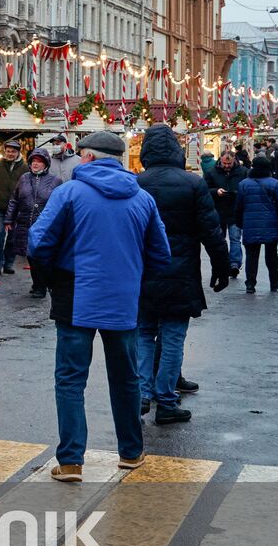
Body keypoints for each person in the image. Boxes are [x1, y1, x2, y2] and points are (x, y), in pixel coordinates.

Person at [26, 130, 170, 483]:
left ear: (87, 157)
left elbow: (39, 241)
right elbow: (161, 254)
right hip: (122, 298)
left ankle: (72, 460)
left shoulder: (69, 192)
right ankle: (131, 452)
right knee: (126, 378)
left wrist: (49, 277)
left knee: (71, 378)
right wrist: (133, 276)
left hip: (74, 294)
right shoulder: (142, 198)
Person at [134, 125, 232, 426]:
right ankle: (166, 400)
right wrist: (221, 267)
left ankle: (141, 395)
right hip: (181, 272)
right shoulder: (193, 183)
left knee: (142, 335)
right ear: (177, 151)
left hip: (143, 273)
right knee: (174, 336)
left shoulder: (136, 184)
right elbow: (210, 230)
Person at [4, 147, 62, 298]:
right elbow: (14, 199)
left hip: (44, 226)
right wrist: (9, 219)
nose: (35, 164)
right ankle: (38, 284)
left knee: (40, 257)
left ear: (46, 164)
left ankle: (42, 286)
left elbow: (60, 203)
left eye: (39, 161)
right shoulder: (24, 178)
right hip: (24, 223)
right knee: (30, 256)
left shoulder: (55, 181)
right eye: (33, 161)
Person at [235, 156, 278, 294]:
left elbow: (238, 206)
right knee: (272, 255)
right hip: (270, 223)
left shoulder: (243, 184)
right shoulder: (274, 183)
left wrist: (239, 222)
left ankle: (250, 284)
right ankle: (274, 282)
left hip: (250, 224)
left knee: (251, 256)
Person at [204, 149, 247, 276]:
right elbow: (205, 189)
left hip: (235, 210)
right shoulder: (212, 173)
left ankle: (234, 264)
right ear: (220, 161)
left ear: (234, 160)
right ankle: (222, 264)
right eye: (224, 163)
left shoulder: (243, 172)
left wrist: (238, 194)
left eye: (229, 163)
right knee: (220, 240)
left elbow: (246, 188)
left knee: (235, 239)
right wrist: (216, 191)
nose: (227, 166)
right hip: (218, 211)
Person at [0, 140, 24, 276]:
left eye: (13, 152)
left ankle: (9, 264)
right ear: (4, 151)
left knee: (12, 237)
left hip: (16, 209)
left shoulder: (24, 168)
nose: (10, 154)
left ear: (18, 152)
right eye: (8, 151)